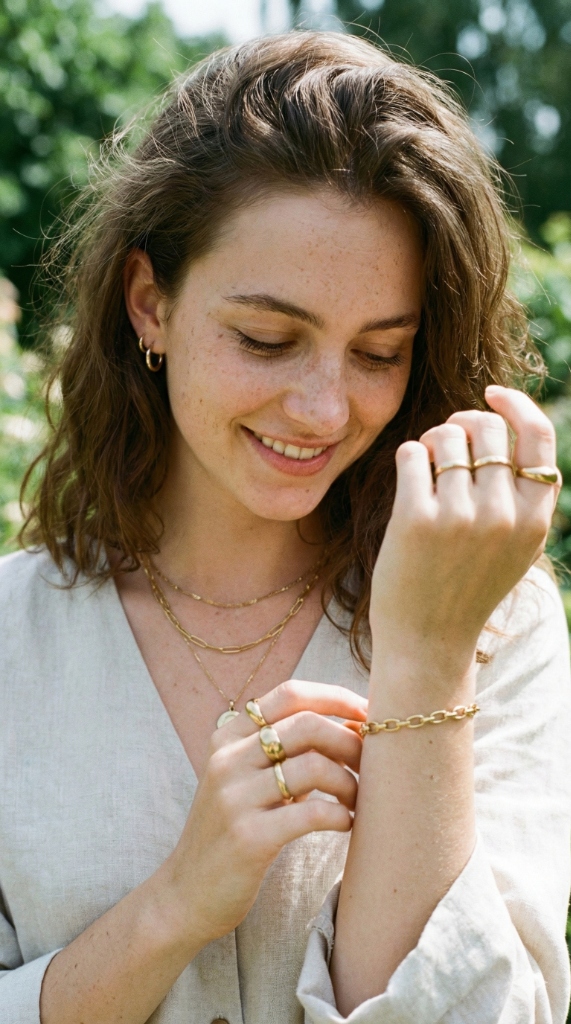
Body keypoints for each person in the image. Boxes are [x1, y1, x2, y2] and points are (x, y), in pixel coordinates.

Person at [1, 29, 569, 1024]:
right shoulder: (13, 636)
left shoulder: (497, 624)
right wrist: (172, 908)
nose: (321, 409)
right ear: (150, 305)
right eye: (268, 339)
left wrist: (425, 664)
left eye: (379, 353)